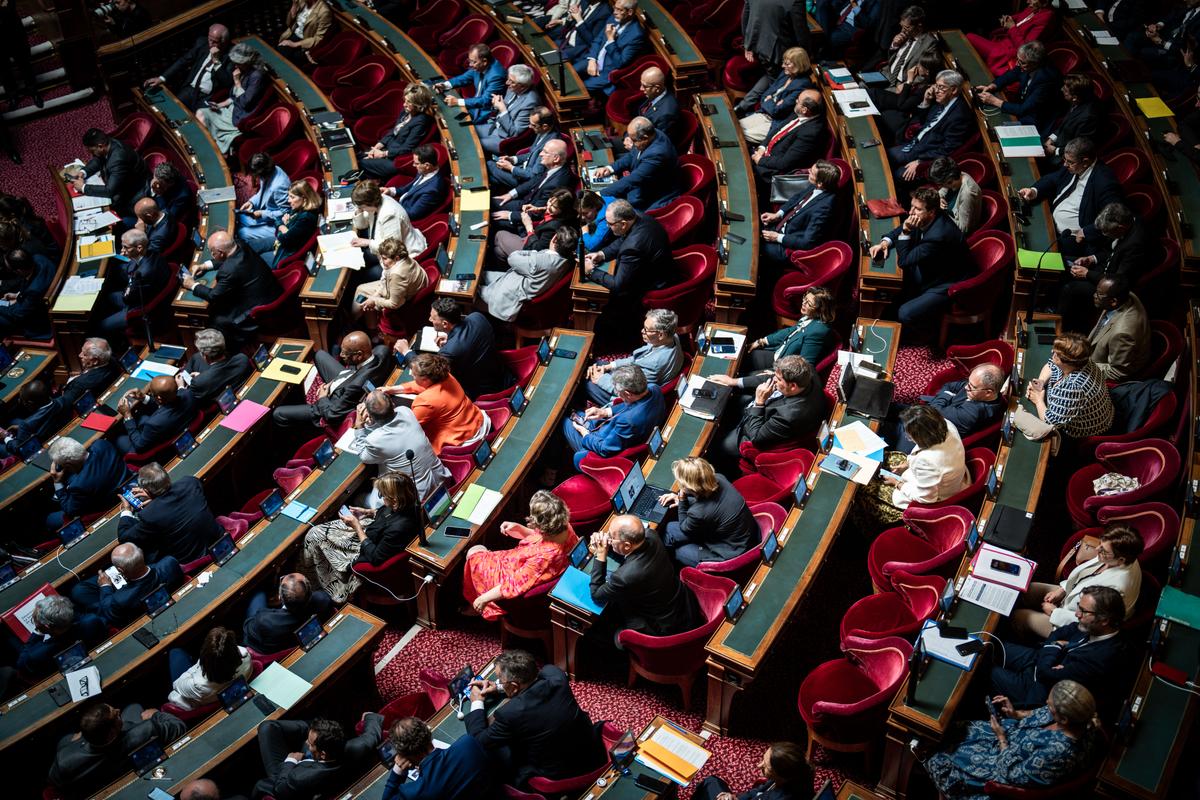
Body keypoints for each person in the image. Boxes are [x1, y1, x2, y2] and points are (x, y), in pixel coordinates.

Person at [923, 680, 1103, 797]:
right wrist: (1015, 713)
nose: (1046, 707)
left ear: (1063, 719)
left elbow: (1011, 775)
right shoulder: (1076, 717)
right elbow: (1038, 713)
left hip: (1002, 764)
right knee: (957, 729)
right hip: (1010, 736)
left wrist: (1001, 738)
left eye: (1050, 706)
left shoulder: (1059, 753)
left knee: (939, 759)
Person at [464, 649, 603, 786]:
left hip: (560, 773)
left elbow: (478, 741)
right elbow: (539, 676)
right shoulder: (555, 675)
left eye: (500, 679)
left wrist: (477, 701)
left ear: (514, 686)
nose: (498, 681)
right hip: (593, 752)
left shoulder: (510, 713)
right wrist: (499, 687)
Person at [990, 586, 1127, 707]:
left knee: (987, 670)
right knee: (992, 646)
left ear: (1104, 620)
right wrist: (1056, 646)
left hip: (1038, 689)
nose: (1077, 614)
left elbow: (1046, 674)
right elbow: (1060, 633)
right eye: (1079, 606)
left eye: (1084, 611)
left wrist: (1055, 646)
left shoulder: (1102, 659)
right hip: (1038, 659)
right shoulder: (1090, 624)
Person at [304, 471, 423, 601]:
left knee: (314, 535)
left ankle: (315, 586)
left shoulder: (398, 529)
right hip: (373, 532)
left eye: (382, 495)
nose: (381, 497)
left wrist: (357, 528)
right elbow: (388, 513)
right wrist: (367, 512)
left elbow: (375, 557)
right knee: (317, 531)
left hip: (367, 547)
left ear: (394, 500)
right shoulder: (410, 503)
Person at [1012, 524, 1143, 640]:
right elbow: (1084, 577)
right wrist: (1062, 590)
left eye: (1103, 550)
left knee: (1020, 617)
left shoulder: (1117, 589)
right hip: (1072, 598)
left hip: (1077, 624)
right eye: (1100, 544)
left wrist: (1055, 613)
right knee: (1027, 590)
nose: (1097, 550)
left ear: (1121, 560)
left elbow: (1094, 622)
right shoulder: (1118, 556)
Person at [463, 491, 577, 618]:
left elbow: (513, 585)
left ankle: (476, 599)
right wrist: (519, 528)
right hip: (520, 560)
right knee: (479, 550)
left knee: (474, 551)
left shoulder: (544, 558)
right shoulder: (564, 526)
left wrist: (483, 599)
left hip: (511, 575)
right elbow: (540, 536)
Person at [853, 405, 969, 530]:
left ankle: (867, 528)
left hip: (929, 498)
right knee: (886, 458)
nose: (908, 438)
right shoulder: (946, 425)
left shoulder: (929, 462)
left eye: (910, 436)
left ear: (921, 436)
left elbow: (926, 498)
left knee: (862, 489)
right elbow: (922, 449)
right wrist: (906, 464)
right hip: (937, 475)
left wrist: (897, 483)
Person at [869, 187, 969, 328]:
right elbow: (906, 224)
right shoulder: (926, 217)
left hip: (945, 282)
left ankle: (922, 334)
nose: (911, 212)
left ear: (932, 211)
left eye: (917, 209)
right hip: (931, 266)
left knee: (904, 313)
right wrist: (885, 242)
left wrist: (906, 232)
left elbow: (904, 261)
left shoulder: (938, 235)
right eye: (911, 206)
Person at [588, 516, 703, 637]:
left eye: (611, 537)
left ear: (627, 545)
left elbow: (596, 595)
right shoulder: (651, 535)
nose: (608, 539)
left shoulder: (624, 577)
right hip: (683, 603)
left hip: (665, 625)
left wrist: (601, 554)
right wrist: (608, 544)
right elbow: (628, 552)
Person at [582, 199, 674, 349]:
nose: (607, 226)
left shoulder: (633, 247)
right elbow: (622, 240)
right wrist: (602, 253)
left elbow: (618, 284)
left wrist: (591, 271)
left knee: (606, 312)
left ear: (623, 223)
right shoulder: (637, 216)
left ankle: (609, 346)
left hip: (652, 285)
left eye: (610, 224)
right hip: (656, 268)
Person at [710, 287, 837, 394]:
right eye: (805, 298)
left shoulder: (818, 331)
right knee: (745, 354)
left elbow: (804, 365)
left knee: (744, 379)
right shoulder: (809, 317)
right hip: (779, 355)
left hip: (783, 369)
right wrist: (761, 341)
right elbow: (789, 331)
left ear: (819, 310)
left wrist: (777, 373)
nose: (803, 303)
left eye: (809, 303)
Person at [48, 702, 187, 797]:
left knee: (64, 740)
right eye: (115, 715)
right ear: (112, 732)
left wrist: (76, 742)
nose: (118, 710)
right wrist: (155, 715)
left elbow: (57, 786)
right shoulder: (147, 729)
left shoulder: (63, 761)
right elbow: (178, 726)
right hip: (133, 741)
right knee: (134, 707)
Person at [714, 355, 827, 468]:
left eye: (778, 379)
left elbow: (755, 437)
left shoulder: (789, 416)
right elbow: (773, 378)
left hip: (752, 430)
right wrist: (733, 381)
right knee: (726, 401)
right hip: (760, 409)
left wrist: (759, 403)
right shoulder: (807, 372)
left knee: (719, 445)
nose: (774, 379)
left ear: (793, 386)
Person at [1017, 137, 1122, 257]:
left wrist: (1087, 232)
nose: (1065, 165)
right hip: (1049, 219)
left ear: (1085, 162)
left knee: (1029, 249)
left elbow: (1114, 217)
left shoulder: (1104, 182)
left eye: (1070, 162)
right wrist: (1034, 190)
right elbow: (1053, 179)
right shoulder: (1074, 165)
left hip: (1071, 239)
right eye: (1064, 160)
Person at [395, 299, 515, 399]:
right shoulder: (477, 317)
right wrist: (451, 341)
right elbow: (474, 340)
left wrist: (406, 352)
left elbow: (425, 370)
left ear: (445, 324)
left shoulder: (449, 351)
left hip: (483, 390)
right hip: (501, 373)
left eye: (433, 318)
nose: (429, 320)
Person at [183, 230, 283, 348]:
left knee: (216, 319)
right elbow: (230, 258)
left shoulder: (228, 271)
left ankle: (231, 350)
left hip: (258, 311)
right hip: (270, 292)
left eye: (212, 252)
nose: (211, 255)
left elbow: (213, 296)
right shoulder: (240, 245)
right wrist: (205, 266)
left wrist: (192, 285)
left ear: (220, 252)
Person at [272, 331, 391, 428]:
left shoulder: (354, 387)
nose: (341, 356)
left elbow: (331, 415)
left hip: (334, 401)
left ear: (359, 355)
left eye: (346, 353)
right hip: (351, 376)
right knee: (319, 355)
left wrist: (323, 397)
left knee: (278, 414)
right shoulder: (382, 351)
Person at [1058, 203, 1146, 334]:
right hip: (1103, 268)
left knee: (1070, 289)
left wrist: (1087, 274)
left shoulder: (1136, 244)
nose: (1105, 235)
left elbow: (1119, 281)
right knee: (1062, 263)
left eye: (1107, 232)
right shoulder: (1128, 220)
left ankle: (1061, 329)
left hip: (1111, 286)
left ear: (1120, 228)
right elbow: (1111, 252)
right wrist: (1091, 258)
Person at [350, 389, 450, 502]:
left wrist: (359, 426)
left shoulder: (375, 440)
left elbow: (364, 456)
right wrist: (372, 422)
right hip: (441, 479)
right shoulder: (406, 411)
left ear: (372, 417)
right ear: (393, 404)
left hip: (417, 496)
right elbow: (387, 425)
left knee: (360, 499)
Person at [254, 715, 383, 800]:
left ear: (322, 754)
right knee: (269, 727)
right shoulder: (357, 747)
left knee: (266, 727)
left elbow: (280, 790)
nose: (306, 743)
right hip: (313, 761)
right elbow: (372, 733)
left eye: (310, 744)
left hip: (287, 773)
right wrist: (369, 716)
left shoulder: (298, 777)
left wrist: (290, 761)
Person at [116, 462, 223, 563]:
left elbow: (125, 538)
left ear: (147, 491)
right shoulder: (190, 482)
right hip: (220, 539)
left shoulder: (149, 515)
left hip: (192, 559)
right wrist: (156, 500)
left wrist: (126, 510)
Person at [659, 457, 757, 567]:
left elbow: (684, 526)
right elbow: (707, 502)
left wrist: (682, 498)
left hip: (731, 551)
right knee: (670, 528)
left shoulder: (698, 513)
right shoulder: (719, 478)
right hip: (745, 535)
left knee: (679, 551)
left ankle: (667, 567)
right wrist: (681, 500)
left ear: (689, 486)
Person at [562, 365, 664, 469]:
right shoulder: (654, 389)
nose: (617, 394)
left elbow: (605, 449)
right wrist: (605, 412)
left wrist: (585, 434)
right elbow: (632, 405)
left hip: (599, 442)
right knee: (578, 413)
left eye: (617, 391)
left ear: (627, 393)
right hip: (609, 427)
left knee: (564, 422)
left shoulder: (628, 421)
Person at [386, 354, 488, 453]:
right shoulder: (445, 375)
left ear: (425, 379)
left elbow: (406, 428)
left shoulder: (425, 401)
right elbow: (422, 386)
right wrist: (392, 389)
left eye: (414, 374)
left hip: (466, 439)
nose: (410, 374)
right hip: (479, 420)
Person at [886, 71, 973, 184]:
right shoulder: (941, 100)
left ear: (954, 90)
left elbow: (948, 149)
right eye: (936, 86)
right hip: (915, 144)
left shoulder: (960, 116)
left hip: (927, 153)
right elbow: (923, 122)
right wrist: (926, 101)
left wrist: (920, 161)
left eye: (941, 87)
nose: (936, 90)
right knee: (886, 156)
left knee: (897, 175)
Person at [70, 542, 184, 627]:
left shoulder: (119, 599)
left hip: (133, 614)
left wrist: (105, 586)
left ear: (121, 571)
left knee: (80, 592)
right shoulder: (170, 563)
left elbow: (108, 610)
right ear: (142, 554)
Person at [585, 308, 684, 405]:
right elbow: (638, 358)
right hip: (633, 374)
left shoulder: (654, 365)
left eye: (647, 329)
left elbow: (631, 391)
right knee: (596, 364)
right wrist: (609, 366)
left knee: (586, 383)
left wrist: (601, 379)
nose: (642, 331)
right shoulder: (672, 336)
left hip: (630, 394)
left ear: (661, 335)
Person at [481, 226, 579, 322]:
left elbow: (512, 257)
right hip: (514, 280)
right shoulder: (567, 260)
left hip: (506, 296)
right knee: (482, 274)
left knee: (471, 288)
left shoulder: (540, 262)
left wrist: (533, 253)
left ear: (554, 239)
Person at [1025, 333, 1113, 439]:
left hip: (1084, 433)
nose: (1052, 353)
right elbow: (1051, 364)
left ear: (1068, 362)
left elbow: (1051, 423)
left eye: (1057, 354)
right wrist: (1041, 381)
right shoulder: (1082, 360)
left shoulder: (1073, 387)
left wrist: (1038, 400)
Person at [757, 160, 839, 271]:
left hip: (788, 246)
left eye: (811, 172)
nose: (808, 171)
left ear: (820, 183)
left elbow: (807, 243)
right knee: (755, 223)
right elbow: (796, 198)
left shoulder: (824, 208)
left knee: (755, 245)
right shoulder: (818, 186)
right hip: (781, 226)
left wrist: (777, 237)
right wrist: (778, 214)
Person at [382, 721, 496, 800]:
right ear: (428, 733)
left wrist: (398, 769)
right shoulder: (468, 744)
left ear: (404, 754)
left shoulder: (414, 792)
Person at [903, 363, 1006, 450]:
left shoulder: (973, 413)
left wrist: (946, 397)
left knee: (890, 430)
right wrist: (947, 398)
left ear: (989, 393)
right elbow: (949, 386)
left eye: (971, 386)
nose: (966, 387)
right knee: (891, 407)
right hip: (928, 415)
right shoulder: (977, 388)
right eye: (968, 381)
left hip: (928, 434)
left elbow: (934, 410)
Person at [96, 228, 170, 345]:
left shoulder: (143, 274)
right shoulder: (151, 251)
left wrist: (127, 286)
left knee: (101, 326)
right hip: (143, 294)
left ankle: (114, 346)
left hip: (138, 307)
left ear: (139, 248)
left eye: (126, 248)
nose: (122, 252)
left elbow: (127, 298)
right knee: (109, 296)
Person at [196, 42, 268, 155]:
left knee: (205, 117)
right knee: (201, 113)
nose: (235, 66)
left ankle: (214, 153)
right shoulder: (243, 70)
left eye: (238, 63)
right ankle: (209, 147)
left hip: (241, 115)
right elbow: (233, 97)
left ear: (247, 62)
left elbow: (245, 102)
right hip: (232, 109)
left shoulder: (256, 76)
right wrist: (219, 105)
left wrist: (237, 82)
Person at [14, 595, 106, 681]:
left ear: (46, 627)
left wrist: (38, 631)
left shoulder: (36, 655)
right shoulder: (92, 621)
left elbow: (21, 664)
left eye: (34, 619)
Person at [596, 116, 679, 211]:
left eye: (634, 140)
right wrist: (610, 168)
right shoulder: (652, 133)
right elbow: (632, 155)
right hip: (642, 179)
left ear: (645, 138)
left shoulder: (657, 154)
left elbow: (633, 180)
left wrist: (600, 194)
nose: (631, 143)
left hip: (654, 191)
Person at [45, 437, 128, 531]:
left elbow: (70, 510)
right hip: (126, 486)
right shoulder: (102, 444)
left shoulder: (79, 485)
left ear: (69, 465)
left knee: (51, 519)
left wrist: (57, 482)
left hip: (108, 505)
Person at [751, 90, 828, 190]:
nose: (796, 101)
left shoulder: (811, 133)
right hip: (765, 153)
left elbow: (784, 163)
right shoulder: (802, 113)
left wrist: (760, 160)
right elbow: (777, 130)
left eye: (798, 101)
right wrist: (762, 147)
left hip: (773, 170)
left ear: (805, 109)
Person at [736, 47, 813, 147]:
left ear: (799, 65)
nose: (782, 66)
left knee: (741, 135)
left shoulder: (803, 84)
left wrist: (770, 100)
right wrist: (771, 101)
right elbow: (764, 96)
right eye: (783, 62)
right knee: (734, 127)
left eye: (787, 64)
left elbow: (777, 111)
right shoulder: (785, 74)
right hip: (763, 113)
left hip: (774, 123)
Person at [351, 179, 427, 280]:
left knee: (365, 275)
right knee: (358, 260)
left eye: (362, 206)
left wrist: (368, 242)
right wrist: (359, 210)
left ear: (369, 203)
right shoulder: (376, 202)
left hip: (400, 257)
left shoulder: (390, 215)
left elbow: (392, 248)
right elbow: (362, 225)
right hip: (382, 249)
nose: (361, 208)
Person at [360, 83, 438, 182]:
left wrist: (383, 154)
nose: (404, 104)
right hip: (387, 149)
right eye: (405, 100)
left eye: (409, 102)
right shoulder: (406, 111)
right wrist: (378, 146)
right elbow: (393, 130)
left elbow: (408, 148)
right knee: (360, 155)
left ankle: (376, 181)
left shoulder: (421, 122)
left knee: (361, 162)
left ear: (419, 104)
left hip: (397, 160)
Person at [143, 23, 231, 110]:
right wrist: (161, 78)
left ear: (224, 43)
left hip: (207, 97)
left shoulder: (230, 56)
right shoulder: (202, 44)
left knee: (198, 120)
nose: (210, 44)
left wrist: (216, 62)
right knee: (173, 110)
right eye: (209, 39)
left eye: (215, 42)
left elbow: (227, 82)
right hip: (190, 90)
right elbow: (183, 61)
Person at [739, 0, 811, 106]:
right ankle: (764, 109)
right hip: (777, 51)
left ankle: (744, 105)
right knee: (778, 84)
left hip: (758, 44)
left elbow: (745, 17)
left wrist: (747, 44)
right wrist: (808, 56)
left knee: (770, 75)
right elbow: (800, 31)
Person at [975, 41, 1061, 128]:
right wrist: (992, 86)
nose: (1018, 64)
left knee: (996, 128)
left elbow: (1023, 109)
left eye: (1022, 63)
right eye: (1018, 60)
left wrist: (994, 101)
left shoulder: (1046, 80)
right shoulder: (1024, 63)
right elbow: (1012, 74)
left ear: (1035, 64)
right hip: (1019, 105)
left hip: (1033, 119)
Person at [166, 626, 253, 711]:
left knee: (175, 652)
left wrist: (197, 667)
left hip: (198, 691)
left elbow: (177, 685)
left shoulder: (197, 685)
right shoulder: (246, 657)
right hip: (211, 694)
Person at [243, 573, 333, 655]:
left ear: (280, 597)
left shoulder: (265, 620)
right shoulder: (323, 600)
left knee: (258, 592)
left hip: (267, 647)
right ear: (310, 593)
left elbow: (247, 627)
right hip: (289, 642)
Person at [491, 139, 574, 225]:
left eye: (545, 152)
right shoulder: (551, 165)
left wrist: (510, 215)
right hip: (525, 202)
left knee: (492, 219)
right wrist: (510, 194)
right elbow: (533, 181)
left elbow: (538, 212)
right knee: (492, 202)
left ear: (556, 158)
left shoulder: (557, 184)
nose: (541, 154)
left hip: (526, 216)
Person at [350, 237, 428, 328]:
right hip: (405, 288)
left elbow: (394, 303)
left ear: (396, 258)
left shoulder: (397, 274)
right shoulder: (404, 258)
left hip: (405, 301)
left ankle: (352, 324)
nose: (382, 262)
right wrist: (375, 295)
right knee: (363, 291)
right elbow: (384, 282)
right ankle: (366, 326)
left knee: (363, 295)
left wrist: (374, 300)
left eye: (385, 258)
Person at [71, 128, 150, 217]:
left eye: (92, 151)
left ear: (100, 146)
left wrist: (83, 187)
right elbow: (98, 159)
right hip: (124, 181)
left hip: (135, 189)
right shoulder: (108, 142)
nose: (92, 154)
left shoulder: (118, 159)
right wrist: (83, 172)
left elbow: (110, 190)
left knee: (113, 212)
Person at [573, 0, 648, 94]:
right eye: (614, 8)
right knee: (570, 74)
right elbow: (597, 40)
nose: (614, 12)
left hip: (607, 72)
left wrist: (610, 40)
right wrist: (592, 59)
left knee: (577, 90)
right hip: (594, 59)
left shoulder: (636, 35)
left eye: (619, 9)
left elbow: (620, 63)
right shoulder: (613, 18)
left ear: (630, 12)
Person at [1086, 277, 1151, 383]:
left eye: (1099, 294)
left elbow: (1117, 371)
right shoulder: (1125, 296)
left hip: (1105, 379)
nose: (1094, 295)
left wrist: (1080, 365)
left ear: (1113, 301)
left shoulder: (1122, 334)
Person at [491, 187, 577, 266]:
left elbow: (537, 250)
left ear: (563, 210)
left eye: (553, 206)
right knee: (498, 251)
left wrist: (529, 227)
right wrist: (539, 209)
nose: (548, 206)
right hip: (530, 239)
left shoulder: (554, 228)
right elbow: (551, 210)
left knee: (499, 234)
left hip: (530, 251)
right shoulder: (562, 214)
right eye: (550, 200)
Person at [694, 742, 810, 800]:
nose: (759, 766)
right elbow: (758, 791)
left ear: (782, 776)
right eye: (763, 760)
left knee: (709, 783)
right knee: (713, 781)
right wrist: (735, 797)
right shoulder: (792, 777)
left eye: (766, 767)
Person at [967, 0, 1057, 74]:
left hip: (1008, 53)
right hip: (1002, 41)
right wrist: (1007, 19)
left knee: (969, 37)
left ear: (1045, 2)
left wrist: (1012, 28)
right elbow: (1018, 18)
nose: (1027, 1)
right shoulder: (1034, 7)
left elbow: (1025, 48)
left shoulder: (1047, 17)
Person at [113, 375, 196, 455]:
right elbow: (166, 405)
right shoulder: (188, 394)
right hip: (180, 426)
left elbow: (139, 446)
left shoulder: (154, 423)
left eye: (152, 394)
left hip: (162, 448)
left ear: (159, 398)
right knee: (143, 418)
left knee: (118, 439)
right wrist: (143, 397)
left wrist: (127, 415)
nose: (151, 394)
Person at [486, 106, 562, 190]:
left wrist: (511, 168)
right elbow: (531, 153)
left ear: (545, 126)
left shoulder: (550, 146)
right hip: (522, 168)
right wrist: (512, 159)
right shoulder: (543, 132)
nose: (529, 127)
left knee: (489, 164)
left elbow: (533, 176)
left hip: (524, 181)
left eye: (533, 125)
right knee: (492, 180)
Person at [478, 64, 542, 156]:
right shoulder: (513, 88)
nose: (507, 83)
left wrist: (503, 109)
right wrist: (496, 105)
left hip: (504, 138)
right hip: (495, 126)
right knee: (468, 132)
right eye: (508, 79)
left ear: (522, 86)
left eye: (511, 81)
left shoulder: (530, 103)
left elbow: (515, 132)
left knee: (473, 144)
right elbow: (503, 107)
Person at [435, 43, 507, 124]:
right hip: (473, 105)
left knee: (454, 124)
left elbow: (485, 100)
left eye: (473, 62)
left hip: (486, 114)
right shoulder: (479, 65)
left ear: (484, 61)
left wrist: (457, 102)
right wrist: (444, 85)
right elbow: (464, 78)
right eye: (470, 61)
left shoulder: (496, 76)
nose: (470, 64)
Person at [178, 329, 252, 405]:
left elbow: (188, 401)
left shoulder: (198, 383)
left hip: (215, 406)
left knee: (195, 357)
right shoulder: (242, 359)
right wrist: (202, 376)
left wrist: (180, 387)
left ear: (205, 357)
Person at [237, 153, 291, 255]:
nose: (254, 177)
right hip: (266, 211)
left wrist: (262, 214)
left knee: (242, 233)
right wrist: (251, 202)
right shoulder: (270, 171)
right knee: (240, 216)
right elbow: (263, 191)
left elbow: (286, 212)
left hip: (277, 224)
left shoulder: (279, 186)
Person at [1043, 74, 1102, 162]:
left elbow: (1078, 146)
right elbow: (1064, 124)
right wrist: (1051, 138)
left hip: (1065, 157)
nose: (1061, 89)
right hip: (1057, 142)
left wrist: (1056, 151)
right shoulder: (1080, 98)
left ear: (1074, 98)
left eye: (1065, 90)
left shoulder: (1088, 117)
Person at [0, 247, 53, 339]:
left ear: (19, 270)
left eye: (12, 271)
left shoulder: (34, 291)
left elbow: (18, 314)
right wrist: (18, 295)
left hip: (38, 321)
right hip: (32, 304)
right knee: (4, 303)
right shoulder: (39, 258)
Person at [879, 5, 938, 86]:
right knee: (861, 84)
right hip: (886, 74)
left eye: (907, 27)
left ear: (919, 26)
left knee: (869, 93)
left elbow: (924, 75)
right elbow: (890, 59)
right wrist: (894, 45)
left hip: (900, 83)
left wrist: (907, 84)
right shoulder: (904, 33)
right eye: (902, 26)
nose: (902, 30)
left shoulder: (929, 43)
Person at [59, 338, 121, 410]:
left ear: (95, 361)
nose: (80, 355)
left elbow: (66, 403)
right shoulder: (113, 360)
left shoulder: (80, 384)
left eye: (84, 354)